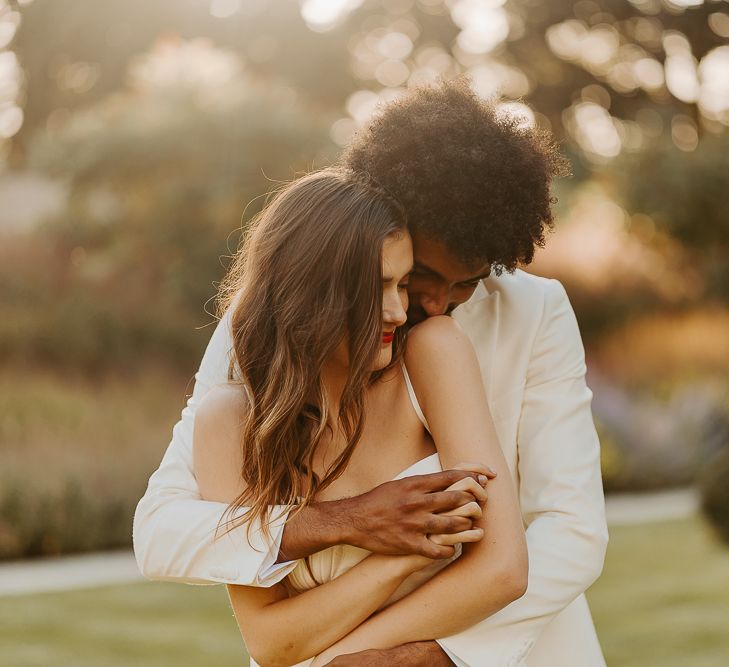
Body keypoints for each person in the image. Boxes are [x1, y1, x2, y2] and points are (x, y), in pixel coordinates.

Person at [134, 78, 609, 666]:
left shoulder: (528, 314)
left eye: (469, 281)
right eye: (423, 277)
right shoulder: (261, 326)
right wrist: (348, 523)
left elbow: (571, 529)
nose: (435, 304)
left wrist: (419, 654)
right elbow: (164, 528)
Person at [191, 166, 527, 666]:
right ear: (311, 291)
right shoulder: (229, 424)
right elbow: (268, 639)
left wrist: (339, 660)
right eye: (378, 287)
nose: (398, 311)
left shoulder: (433, 355)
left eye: (404, 284)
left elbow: (503, 571)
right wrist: (403, 556)